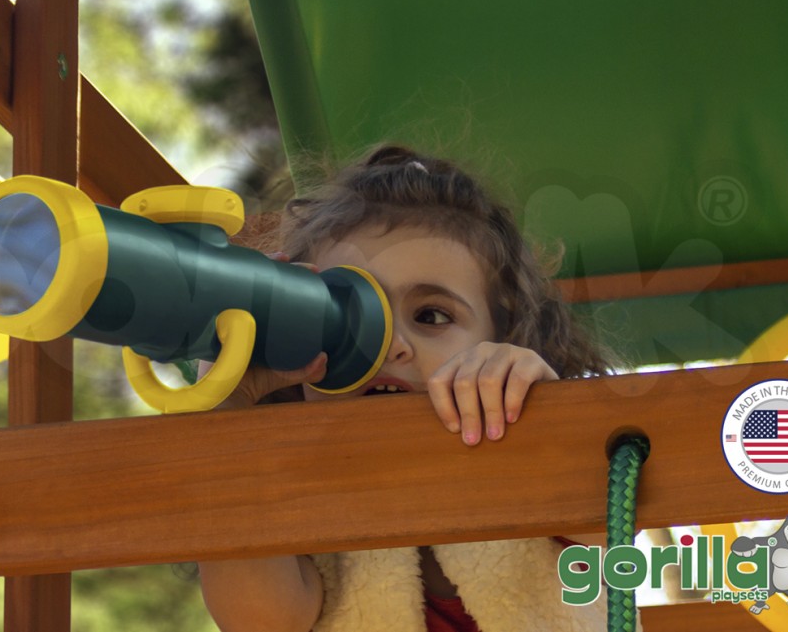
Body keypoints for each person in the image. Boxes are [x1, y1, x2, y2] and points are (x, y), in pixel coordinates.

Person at [196, 145, 618, 632]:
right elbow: (259, 621)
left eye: (432, 316)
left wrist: (545, 414)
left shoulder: (537, 487)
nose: (389, 346)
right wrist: (225, 402)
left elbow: (614, 523)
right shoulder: (289, 513)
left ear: (503, 338)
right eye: (344, 318)